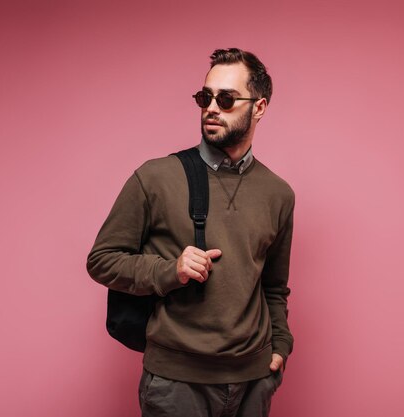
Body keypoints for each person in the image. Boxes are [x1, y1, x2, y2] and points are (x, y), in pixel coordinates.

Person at [87, 48, 295, 417]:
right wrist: (171, 270)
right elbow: (102, 261)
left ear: (259, 107)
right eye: (205, 97)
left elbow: (273, 286)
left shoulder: (278, 194)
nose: (212, 107)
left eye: (226, 99)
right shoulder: (154, 177)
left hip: (254, 381)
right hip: (176, 384)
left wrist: (280, 344)